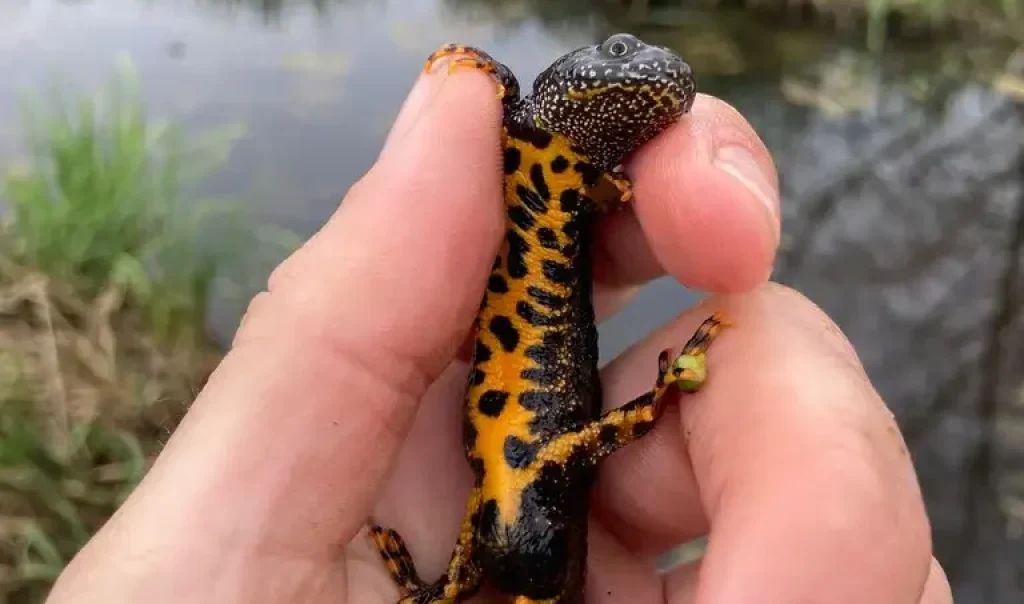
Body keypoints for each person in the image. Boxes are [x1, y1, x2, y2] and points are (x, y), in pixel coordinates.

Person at [46, 64, 953, 604]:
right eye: (625, 59)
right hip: (528, 436)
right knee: (556, 474)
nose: (650, 74)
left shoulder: (570, 183)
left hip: (521, 462)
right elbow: (482, 98)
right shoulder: (529, 141)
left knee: (551, 486)